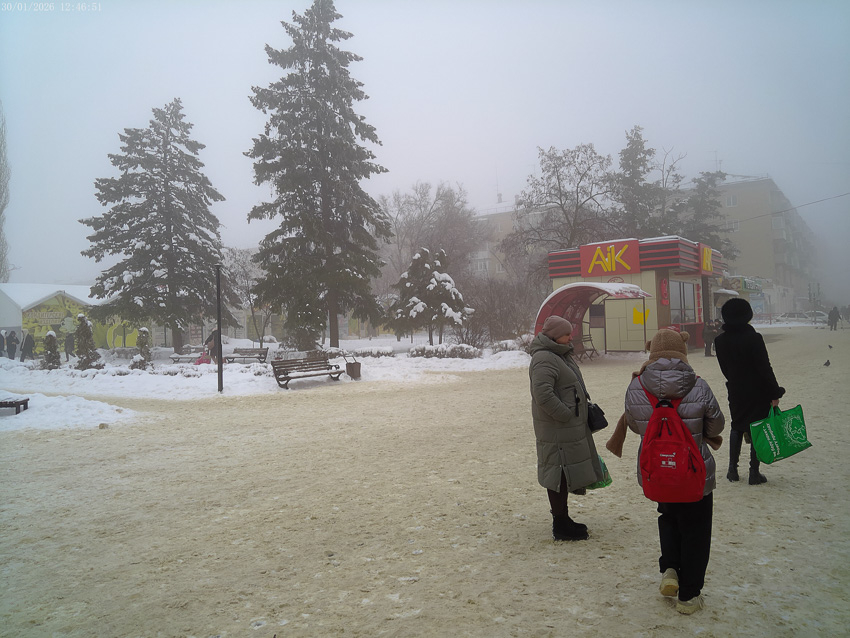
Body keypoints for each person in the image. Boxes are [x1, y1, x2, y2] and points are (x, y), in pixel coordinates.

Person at [624, 328, 725, 615]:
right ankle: (689, 596)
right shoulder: (699, 385)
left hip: (658, 471)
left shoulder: (636, 386)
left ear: (652, 350)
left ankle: (670, 568)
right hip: (694, 473)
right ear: (682, 351)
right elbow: (716, 426)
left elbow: (634, 425)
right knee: (696, 529)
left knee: (668, 516)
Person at [529, 315, 604, 542]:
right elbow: (542, 393)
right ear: (554, 335)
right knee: (558, 472)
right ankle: (560, 524)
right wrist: (565, 414)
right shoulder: (544, 358)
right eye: (566, 334)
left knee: (564, 471)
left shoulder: (559, 354)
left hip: (566, 427)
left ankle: (563, 519)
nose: (571, 337)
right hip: (557, 428)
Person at [714, 298, 785, 485]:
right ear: (747, 315)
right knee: (757, 427)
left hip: (736, 389)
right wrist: (774, 393)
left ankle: (732, 470)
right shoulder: (754, 338)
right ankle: (754, 472)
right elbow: (764, 368)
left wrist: (736, 380)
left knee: (737, 425)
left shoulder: (720, 341)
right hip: (758, 390)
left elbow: (725, 369)